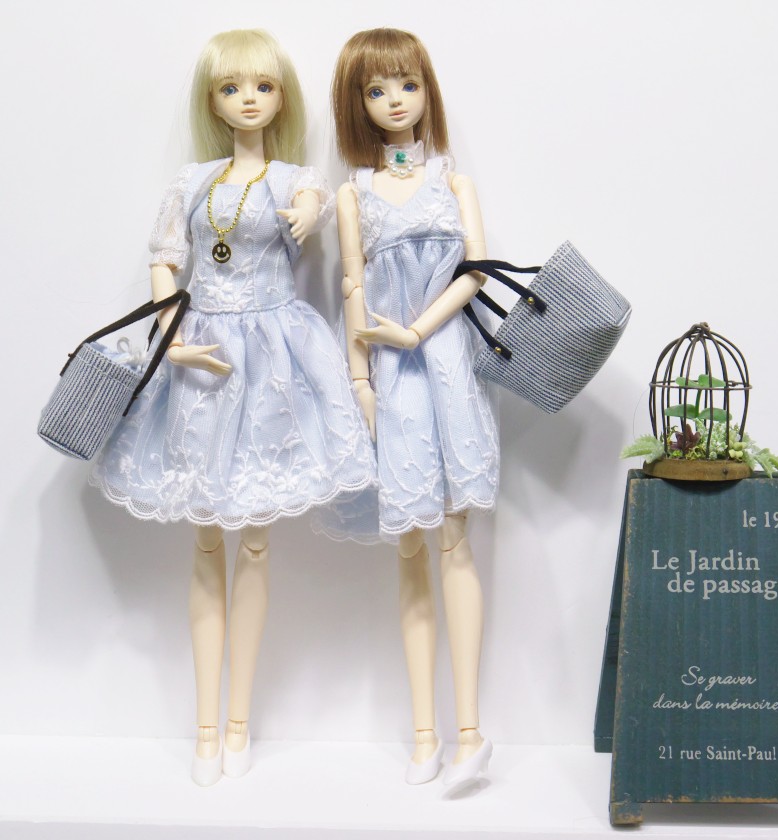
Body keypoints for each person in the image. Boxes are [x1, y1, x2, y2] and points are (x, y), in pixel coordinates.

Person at [90, 28, 375, 785]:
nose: (249, 99)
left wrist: (307, 210)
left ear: (282, 97)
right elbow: (165, 261)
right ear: (212, 101)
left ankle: (240, 723)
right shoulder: (190, 183)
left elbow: (312, 204)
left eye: (263, 86)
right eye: (231, 87)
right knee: (206, 542)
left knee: (254, 542)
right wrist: (172, 338)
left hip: (274, 362)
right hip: (204, 364)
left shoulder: (294, 179)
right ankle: (206, 728)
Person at [329, 27, 498, 787]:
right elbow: (351, 285)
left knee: (454, 538)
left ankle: (471, 733)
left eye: (408, 84)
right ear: (357, 103)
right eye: (377, 89)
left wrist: (418, 330)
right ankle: (423, 734)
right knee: (408, 543)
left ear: (427, 91)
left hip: (447, 364)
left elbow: (476, 271)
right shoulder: (353, 194)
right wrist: (360, 383)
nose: (395, 100)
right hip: (389, 380)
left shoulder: (451, 182)